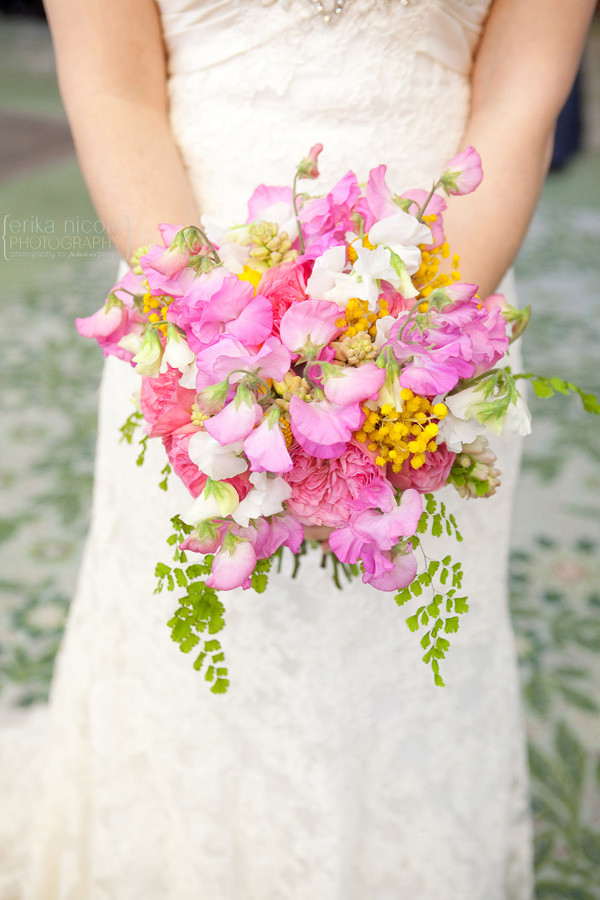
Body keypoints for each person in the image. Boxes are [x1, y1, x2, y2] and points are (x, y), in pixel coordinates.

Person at [13, 0, 595, 897]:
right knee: (203, 652)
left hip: (444, 296)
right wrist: (218, 339)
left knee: (398, 653)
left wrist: (411, 359)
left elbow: (518, 100)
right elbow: (114, 88)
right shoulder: (203, 324)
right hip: (196, 303)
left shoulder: (432, 338)